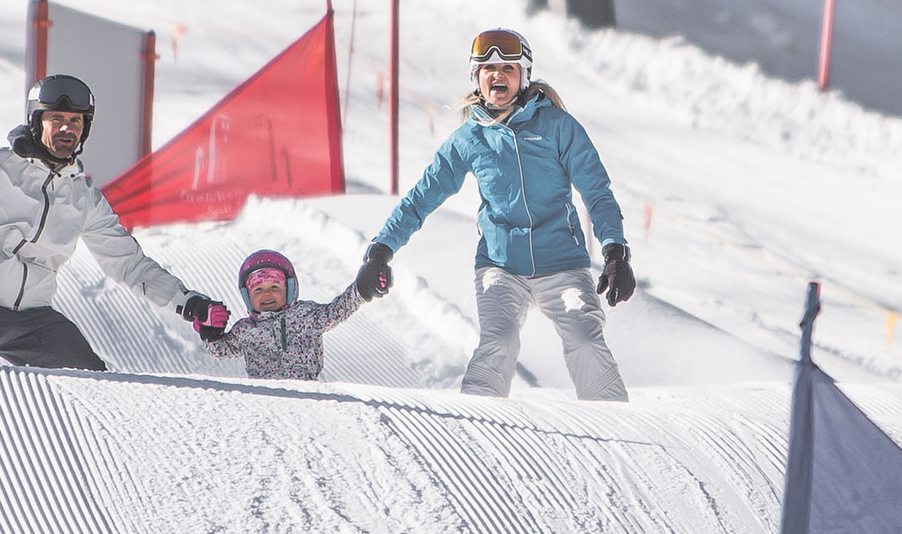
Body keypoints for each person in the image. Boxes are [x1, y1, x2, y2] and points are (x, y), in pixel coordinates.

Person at [355, 29, 633, 401]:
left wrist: (615, 250)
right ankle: (480, 426)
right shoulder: (470, 138)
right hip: (501, 267)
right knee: (498, 343)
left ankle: (614, 424)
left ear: (523, 76)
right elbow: (422, 197)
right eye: (487, 68)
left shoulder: (557, 127)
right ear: (477, 77)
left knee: (585, 338)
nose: (497, 75)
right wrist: (381, 250)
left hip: (562, 262)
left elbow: (597, 192)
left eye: (507, 67)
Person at [0, 73, 220, 370]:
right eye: (57, 119)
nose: (67, 128)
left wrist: (186, 301)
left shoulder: (83, 196)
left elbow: (128, 264)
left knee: (97, 381)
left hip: (34, 319)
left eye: (76, 121)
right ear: (37, 122)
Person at [196, 247, 366, 382]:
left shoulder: (305, 316)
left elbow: (337, 311)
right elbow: (222, 351)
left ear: (289, 289)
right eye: (258, 290)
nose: (267, 294)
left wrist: (362, 289)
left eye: (274, 287)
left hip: (307, 393)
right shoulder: (245, 329)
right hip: (265, 397)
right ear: (247, 296)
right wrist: (211, 335)